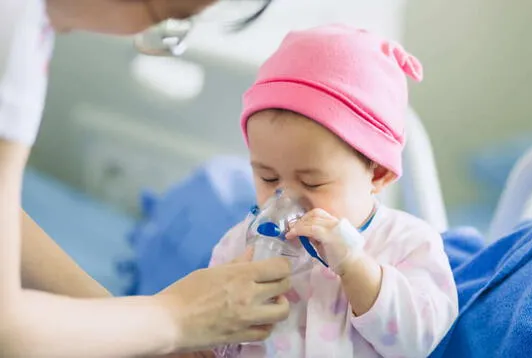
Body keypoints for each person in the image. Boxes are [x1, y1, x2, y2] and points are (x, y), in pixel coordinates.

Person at [0, 0, 290, 357]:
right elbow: (9, 332)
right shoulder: (12, 32)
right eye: (168, 20)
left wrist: (138, 332)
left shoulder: (26, 26)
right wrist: (175, 317)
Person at [208, 24, 459, 357]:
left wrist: (356, 267)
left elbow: (422, 342)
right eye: (268, 178)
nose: (285, 199)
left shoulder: (409, 244)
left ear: (378, 173)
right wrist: (226, 308)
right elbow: (206, 340)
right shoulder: (238, 246)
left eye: (312, 182)